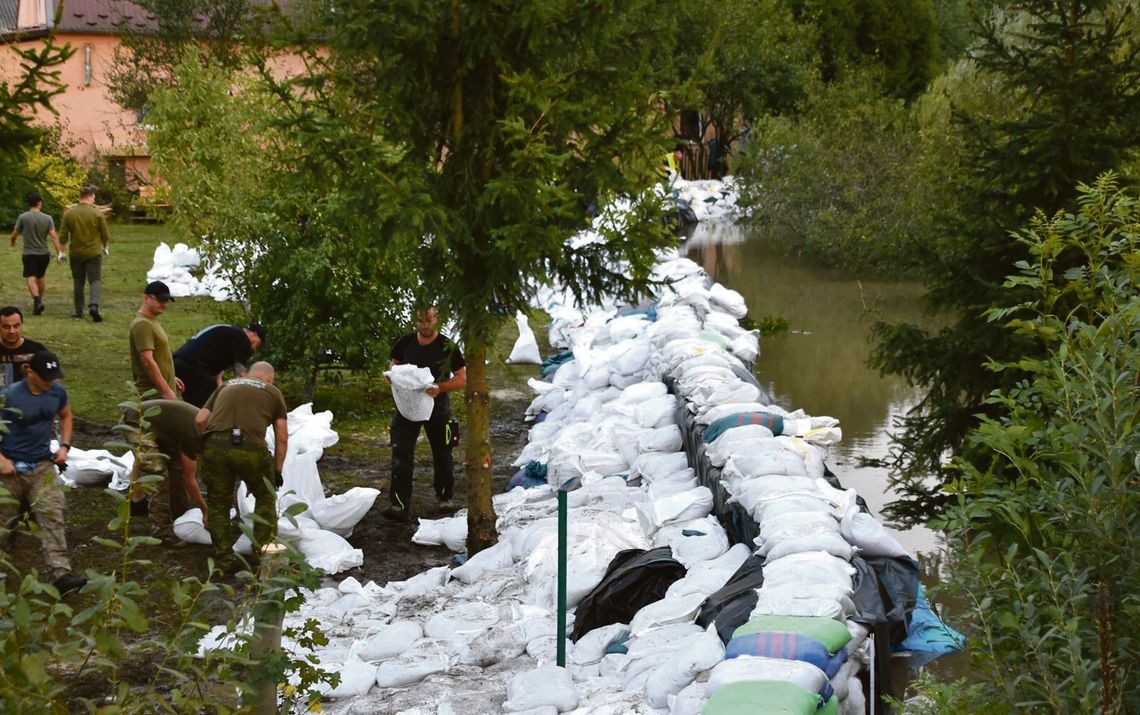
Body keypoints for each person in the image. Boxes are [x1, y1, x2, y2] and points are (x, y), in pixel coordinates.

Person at [0, 350, 86, 594]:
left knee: (53, 513)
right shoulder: (9, 396)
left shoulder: (57, 392)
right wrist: (2, 459)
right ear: (29, 372)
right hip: (10, 468)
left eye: (54, 376)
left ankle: (61, 574)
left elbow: (66, 415)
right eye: (46, 376)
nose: (51, 381)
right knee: (3, 522)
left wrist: (64, 446)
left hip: (41, 465)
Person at [195, 362, 288, 572]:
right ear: (269, 379)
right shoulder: (273, 392)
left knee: (218, 502)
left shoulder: (226, 385)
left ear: (250, 374)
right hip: (251, 448)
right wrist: (277, 470)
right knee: (265, 496)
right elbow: (282, 437)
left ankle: (224, 560)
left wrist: (204, 447)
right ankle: (263, 554)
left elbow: (200, 419)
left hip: (215, 445)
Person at [383, 305, 466, 522]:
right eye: (420, 321)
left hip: (436, 406)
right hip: (408, 406)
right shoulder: (405, 342)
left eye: (428, 320)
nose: (425, 325)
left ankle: (444, 497)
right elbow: (394, 363)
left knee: (442, 451)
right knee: (401, 452)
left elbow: (462, 378)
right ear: (415, 321)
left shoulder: (447, 346)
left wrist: (440, 388)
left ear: (436, 319)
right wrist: (392, 374)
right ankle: (399, 504)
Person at [124, 399, 208, 546]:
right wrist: (205, 510)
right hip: (137, 423)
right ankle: (161, 532)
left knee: (177, 469)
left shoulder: (211, 428)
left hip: (163, 429)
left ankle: (180, 515)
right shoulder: (195, 434)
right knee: (159, 475)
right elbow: (190, 479)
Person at [173, 323, 266, 407]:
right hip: (191, 364)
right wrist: (247, 393)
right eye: (258, 345)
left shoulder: (228, 335)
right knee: (209, 406)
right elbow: (240, 369)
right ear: (254, 334)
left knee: (196, 405)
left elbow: (218, 378)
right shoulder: (242, 338)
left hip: (178, 363)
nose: (254, 349)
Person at [58, 185, 110, 322]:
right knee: (95, 280)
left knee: (78, 281)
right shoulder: (97, 213)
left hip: (76, 252)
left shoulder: (69, 213)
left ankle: (78, 310)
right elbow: (104, 234)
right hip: (93, 252)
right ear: (89, 196)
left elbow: (63, 235)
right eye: (93, 197)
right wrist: (105, 246)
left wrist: (61, 251)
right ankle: (94, 305)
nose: (94, 200)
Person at [9, 191, 64, 315]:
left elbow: (14, 234)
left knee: (30, 277)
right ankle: (38, 302)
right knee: (40, 277)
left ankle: (37, 300)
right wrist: (59, 252)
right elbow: (54, 236)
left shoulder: (23, 217)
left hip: (29, 253)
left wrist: (13, 241)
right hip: (44, 253)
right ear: (39, 203)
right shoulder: (48, 218)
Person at [129, 281, 182, 401]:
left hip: (159, 392)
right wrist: (166, 390)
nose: (164, 305)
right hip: (153, 394)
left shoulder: (151, 322)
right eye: (160, 300)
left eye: (166, 301)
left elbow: (159, 356)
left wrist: (170, 378)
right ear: (146, 298)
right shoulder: (143, 324)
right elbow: (147, 360)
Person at [0, 306, 47, 389]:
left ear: (22, 325)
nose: (12, 331)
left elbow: (52, 382)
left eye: (16, 326)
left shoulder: (37, 350)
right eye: (6, 327)